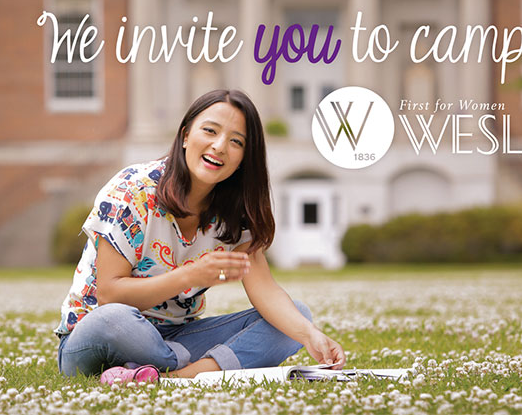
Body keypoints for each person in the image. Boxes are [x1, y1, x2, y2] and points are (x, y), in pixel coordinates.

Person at [54, 89, 345, 382]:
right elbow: (110, 295)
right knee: (113, 319)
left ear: (244, 157)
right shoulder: (132, 191)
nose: (220, 146)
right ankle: (172, 366)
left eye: (236, 141)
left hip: (179, 337)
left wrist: (310, 336)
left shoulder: (235, 213)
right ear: (185, 136)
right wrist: (191, 275)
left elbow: (265, 291)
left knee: (297, 316)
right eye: (210, 131)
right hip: (99, 336)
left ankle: (174, 377)